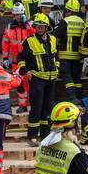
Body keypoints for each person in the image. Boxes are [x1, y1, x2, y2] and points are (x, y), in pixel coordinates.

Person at [16, 13, 58, 145]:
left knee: (47, 108)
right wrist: (26, 71)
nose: (39, 29)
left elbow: (55, 57)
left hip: (51, 80)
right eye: (37, 27)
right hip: (37, 80)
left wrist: (57, 69)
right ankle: (32, 136)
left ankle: (45, 136)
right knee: (36, 108)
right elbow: (20, 58)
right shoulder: (29, 41)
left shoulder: (52, 39)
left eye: (42, 27)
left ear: (46, 27)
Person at [2, 2, 33, 111]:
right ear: (13, 15)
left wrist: (28, 24)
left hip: (29, 60)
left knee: (32, 83)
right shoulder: (9, 27)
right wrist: (5, 58)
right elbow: (5, 43)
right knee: (20, 85)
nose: (18, 17)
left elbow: (35, 34)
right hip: (16, 61)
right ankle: (22, 105)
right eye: (16, 15)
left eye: (20, 14)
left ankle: (34, 105)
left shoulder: (28, 25)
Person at [55, 0, 86, 102]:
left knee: (66, 76)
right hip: (78, 56)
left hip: (65, 55)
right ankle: (79, 97)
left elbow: (56, 37)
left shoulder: (65, 21)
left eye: (66, 10)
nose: (65, 12)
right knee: (77, 78)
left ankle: (72, 98)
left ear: (69, 10)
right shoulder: (82, 22)